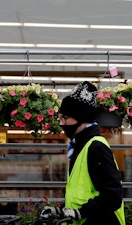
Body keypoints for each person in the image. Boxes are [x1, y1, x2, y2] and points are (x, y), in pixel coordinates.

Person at [42, 81, 125, 225]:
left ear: (81, 117)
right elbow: (82, 193)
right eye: (60, 118)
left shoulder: (96, 147)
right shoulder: (80, 146)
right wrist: (61, 211)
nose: (61, 123)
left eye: (65, 118)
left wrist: (81, 212)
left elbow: (112, 196)